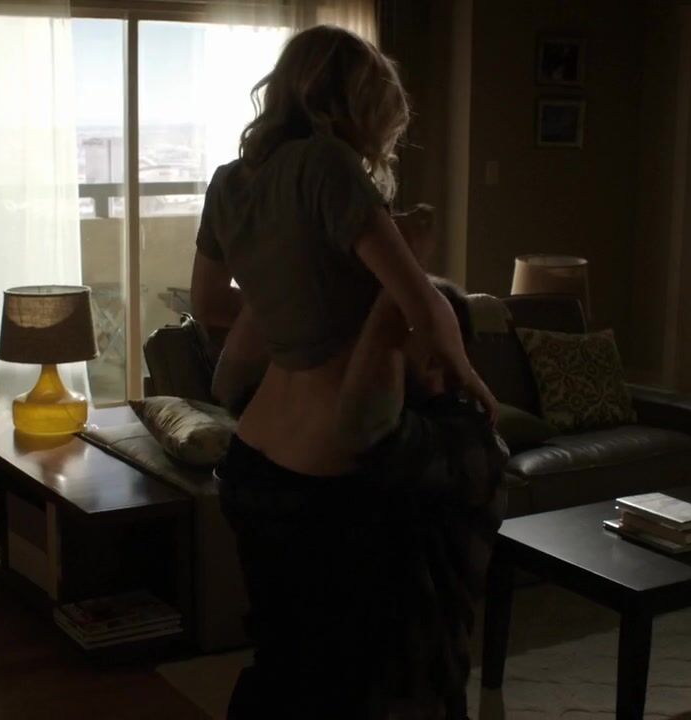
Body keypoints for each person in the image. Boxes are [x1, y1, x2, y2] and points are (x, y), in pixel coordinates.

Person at [188, 24, 501, 718]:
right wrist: (471, 380)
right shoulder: (328, 165)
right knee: (349, 673)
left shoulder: (230, 182)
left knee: (286, 656)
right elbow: (418, 301)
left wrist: (287, 301)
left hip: (253, 459)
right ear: (357, 102)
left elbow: (207, 303)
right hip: (325, 464)